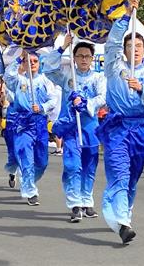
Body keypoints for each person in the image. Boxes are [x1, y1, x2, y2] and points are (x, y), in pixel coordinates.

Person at [97, 0, 144, 244]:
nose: (135, 49)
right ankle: (121, 222)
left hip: (140, 128)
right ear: (125, 49)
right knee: (119, 174)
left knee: (133, 176)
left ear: (143, 50)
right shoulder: (114, 68)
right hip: (117, 128)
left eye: (139, 46)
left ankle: (124, 215)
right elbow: (112, 44)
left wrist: (142, 89)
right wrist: (126, 17)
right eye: (131, 46)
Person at [42, 35, 106, 222]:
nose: (84, 59)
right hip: (71, 128)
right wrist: (62, 48)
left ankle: (87, 201)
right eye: (80, 56)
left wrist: (86, 103)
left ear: (92, 58)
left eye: (87, 56)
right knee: (72, 166)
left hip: (90, 128)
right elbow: (48, 68)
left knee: (89, 166)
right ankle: (75, 204)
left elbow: (103, 98)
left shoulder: (98, 78)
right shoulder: (68, 76)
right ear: (75, 58)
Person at [4, 50, 55, 206]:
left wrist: (41, 107)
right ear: (23, 64)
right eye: (28, 61)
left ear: (39, 64)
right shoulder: (19, 80)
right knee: (25, 157)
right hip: (22, 124)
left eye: (35, 61)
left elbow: (53, 100)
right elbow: (8, 76)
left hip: (39, 123)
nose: (32, 64)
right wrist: (19, 58)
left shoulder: (46, 81)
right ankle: (30, 191)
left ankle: (28, 179)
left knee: (42, 162)